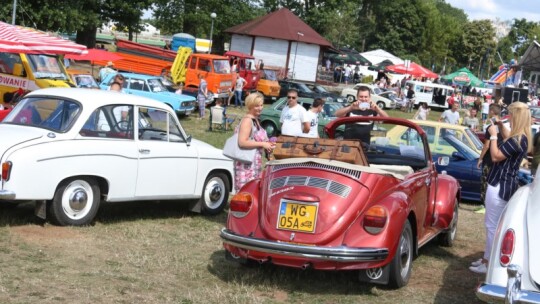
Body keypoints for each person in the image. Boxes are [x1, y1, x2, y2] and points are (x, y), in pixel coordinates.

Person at [469, 102, 532, 274]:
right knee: (493, 225)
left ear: (516, 116)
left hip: (499, 185)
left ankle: (488, 263)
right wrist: (498, 125)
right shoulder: (520, 137)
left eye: (510, 114)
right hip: (503, 184)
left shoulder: (517, 139)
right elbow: (508, 136)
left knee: (492, 227)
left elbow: (496, 156)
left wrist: (493, 136)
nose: (508, 117)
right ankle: (486, 259)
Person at [234, 93, 275, 191]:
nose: (260, 108)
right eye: (257, 106)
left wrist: (268, 144)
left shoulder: (255, 119)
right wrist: (263, 144)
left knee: (252, 192)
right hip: (245, 165)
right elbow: (242, 142)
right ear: (250, 106)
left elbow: (256, 138)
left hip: (254, 164)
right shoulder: (247, 120)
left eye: (261, 105)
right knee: (245, 193)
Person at [476, 104, 502, 215]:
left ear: (491, 111)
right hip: (499, 158)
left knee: (485, 182)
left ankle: (483, 205)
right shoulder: (503, 126)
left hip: (488, 159)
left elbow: (486, 145)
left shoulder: (490, 127)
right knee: (494, 183)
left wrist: (480, 158)